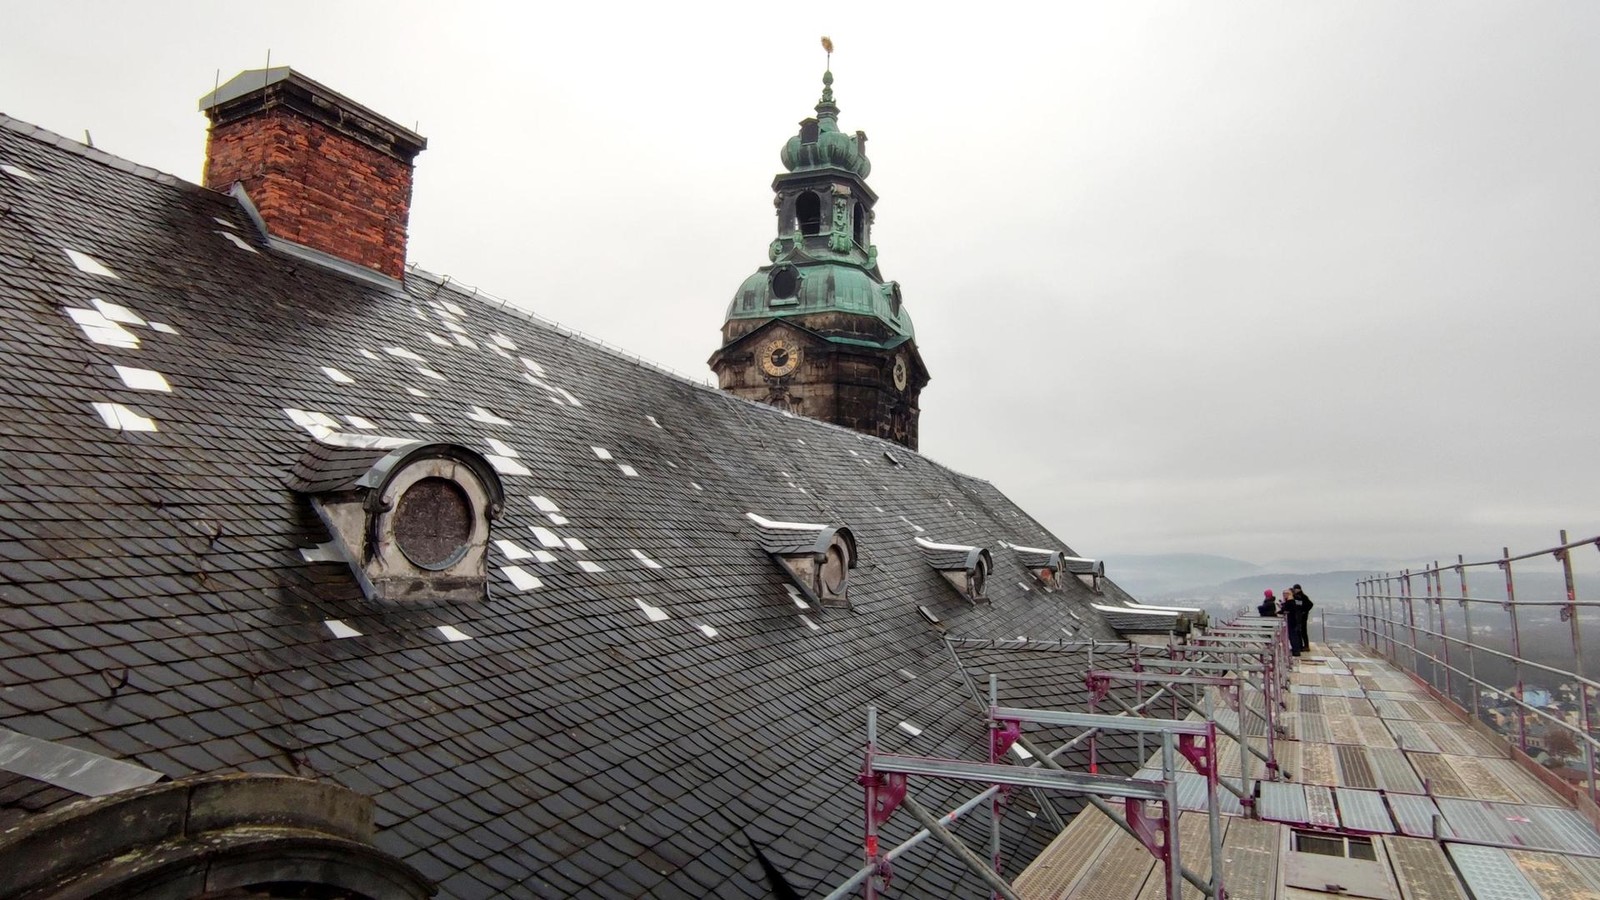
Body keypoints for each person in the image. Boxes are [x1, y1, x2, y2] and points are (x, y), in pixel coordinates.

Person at [1284, 587, 1307, 655]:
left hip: (1295, 619)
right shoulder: (1293, 600)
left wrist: (1303, 611)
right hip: (1296, 618)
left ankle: (1298, 649)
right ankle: (1298, 648)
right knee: (1295, 634)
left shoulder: (1295, 599)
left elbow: (1300, 606)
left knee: (1295, 634)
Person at [1292, 584, 1313, 652]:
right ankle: (1305, 645)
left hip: (1302, 616)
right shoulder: (1301, 596)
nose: (1294, 590)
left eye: (1295, 589)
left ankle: (1306, 646)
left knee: (1303, 631)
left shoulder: (1302, 597)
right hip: (1302, 616)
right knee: (1303, 631)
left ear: (1298, 589)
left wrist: (1304, 611)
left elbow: (1310, 604)